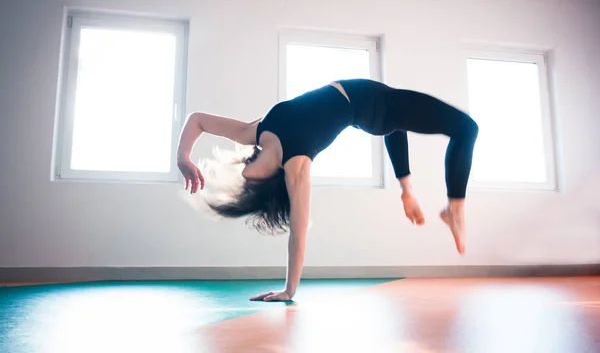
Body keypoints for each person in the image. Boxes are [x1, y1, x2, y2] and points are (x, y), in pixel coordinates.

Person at [176, 78, 479, 302]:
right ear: (271, 182)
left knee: (399, 126)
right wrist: (289, 290)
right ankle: (454, 209)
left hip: (375, 105)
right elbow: (298, 232)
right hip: (376, 108)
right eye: (251, 187)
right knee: (466, 128)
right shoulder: (296, 166)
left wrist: (184, 158)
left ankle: (407, 191)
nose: (245, 179)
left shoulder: (255, 132)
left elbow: (198, 120)